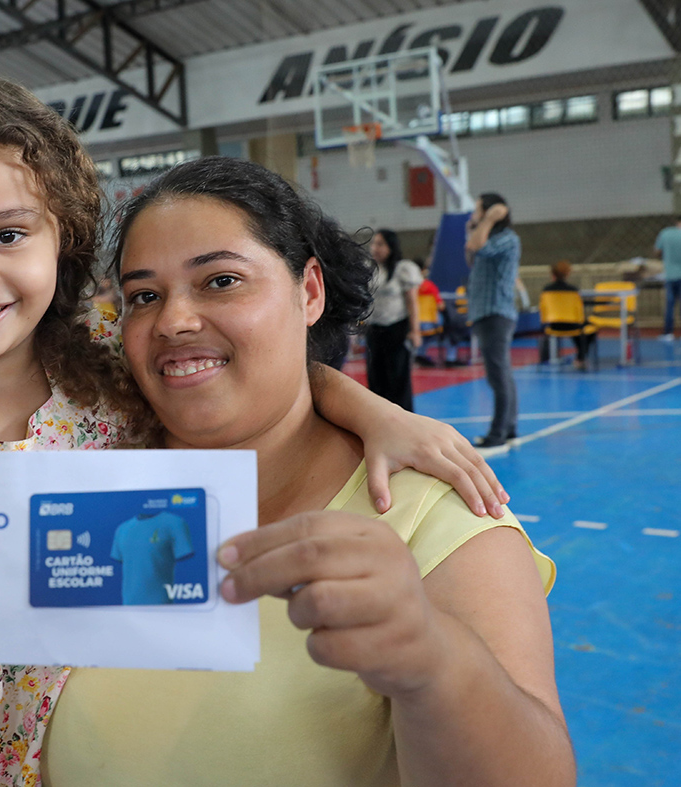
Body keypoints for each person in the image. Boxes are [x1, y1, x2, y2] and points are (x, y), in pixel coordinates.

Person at [0, 77, 509, 787]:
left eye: (7, 234)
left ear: (64, 237)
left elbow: (243, 364)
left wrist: (377, 412)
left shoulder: (100, 375)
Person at [40, 156, 573, 786]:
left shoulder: (437, 513)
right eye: (144, 296)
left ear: (310, 291)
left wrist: (434, 659)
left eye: (221, 280)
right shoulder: (81, 478)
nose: (174, 320)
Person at [465, 193, 520, 449]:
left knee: (498, 376)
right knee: (501, 374)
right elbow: (470, 255)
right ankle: (509, 428)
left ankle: (498, 433)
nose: (474, 214)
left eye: (478, 210)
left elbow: (478, 248)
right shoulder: (487, 235)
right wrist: (475, 228)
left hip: (496, 313)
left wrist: (486, 220)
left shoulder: (507, 238)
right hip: (484, 313)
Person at [364, 229, 422, 410]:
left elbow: (412, 302)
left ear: (391, 247)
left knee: (397, 378)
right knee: (375, 377)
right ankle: (380, 418)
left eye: (380, 244)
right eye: (374, 244)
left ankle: (404, 418)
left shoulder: (403, 268)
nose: (375, 248)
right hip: (374, 330)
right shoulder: (370, 269)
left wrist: (415, 331)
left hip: (397, 329)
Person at [540, 259, 594, 370]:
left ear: (552, 274)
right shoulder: (573, 290)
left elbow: (543, 308)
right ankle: (580, 358)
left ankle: (578, 359)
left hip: (553, 325)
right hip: (573, 324)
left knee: (577, 329)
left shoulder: (546, 290)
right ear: (567, 274)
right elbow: (579, 311)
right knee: (588, 328)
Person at [654, 215, 681, 341]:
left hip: (670, 275)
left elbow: (657, 251)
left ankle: (668, 333)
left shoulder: (665, 233)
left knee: (670, 305)